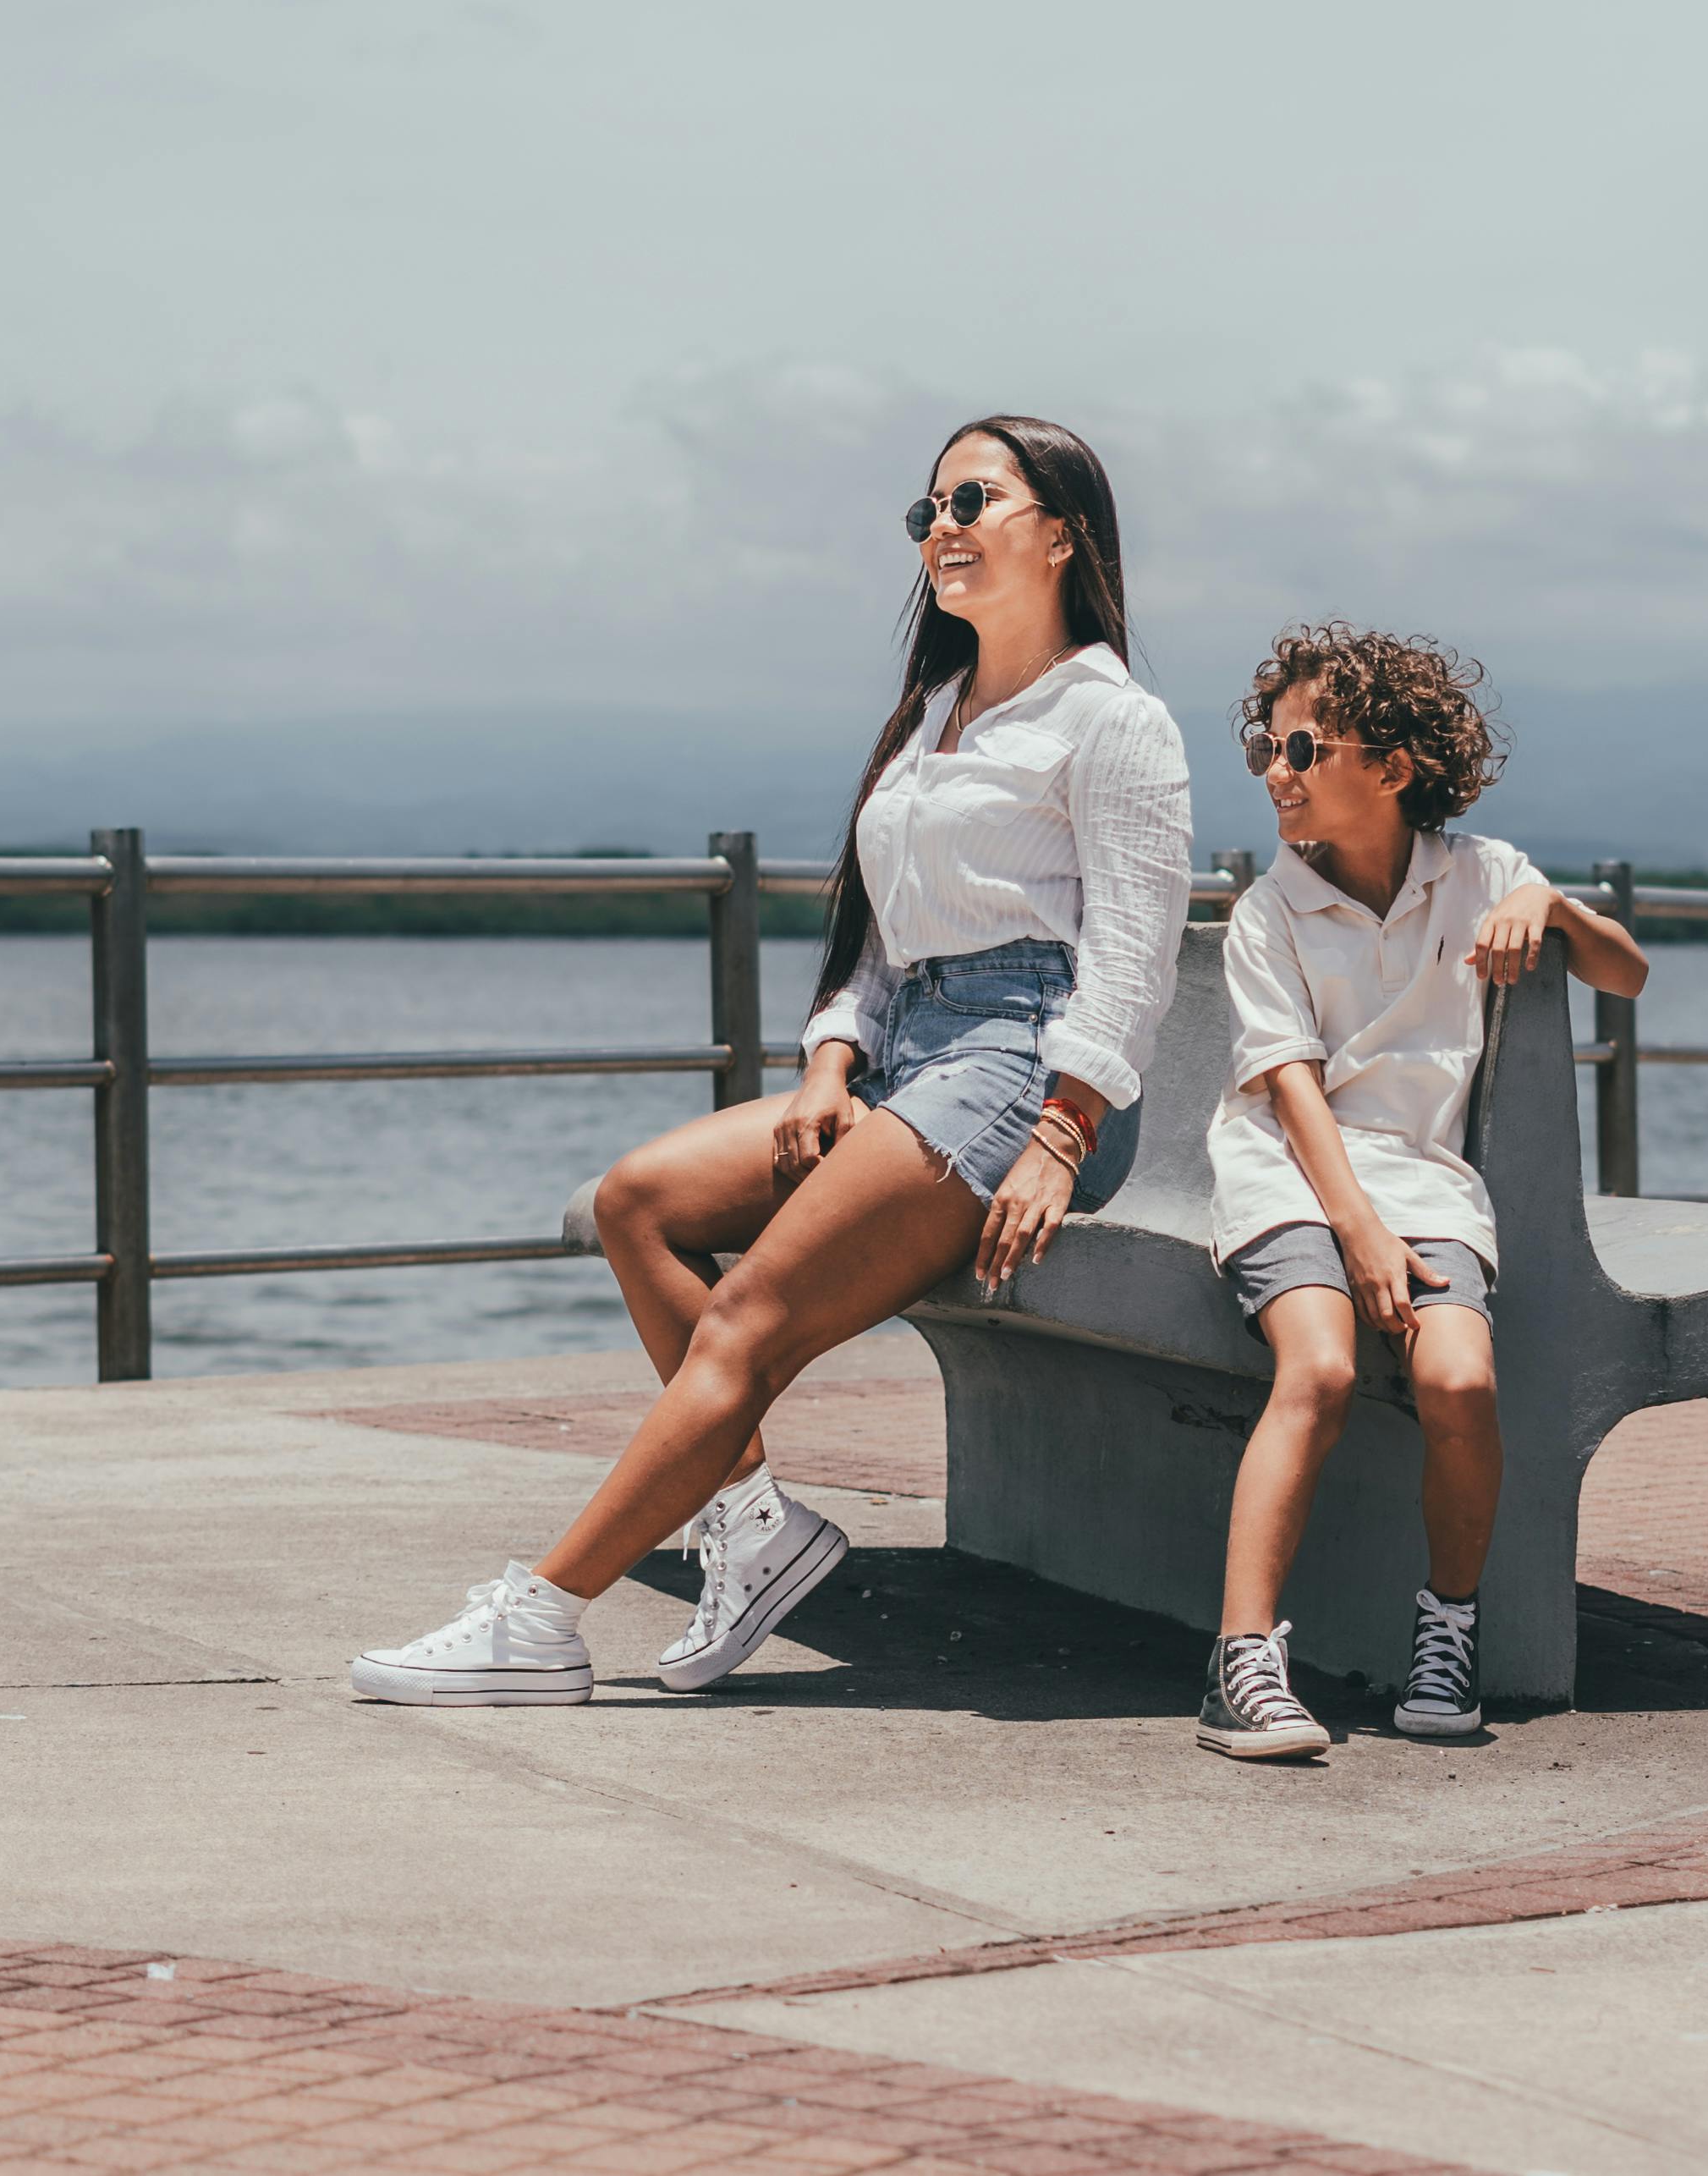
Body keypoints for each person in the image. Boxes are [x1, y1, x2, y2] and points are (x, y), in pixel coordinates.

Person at [349, 416, 1194, 1706]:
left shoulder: (1111, 720)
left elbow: (1132, 956)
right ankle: (753, 1522)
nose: (943, 529)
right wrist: (829, 1062)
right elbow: (874, 937)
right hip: (904, 1055)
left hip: (1023, 1068)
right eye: (926, 513)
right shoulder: (934, 715)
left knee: (746, 1321)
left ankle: (543, 1617)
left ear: (1063, 530)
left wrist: (1065, 1130)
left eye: (973, 499)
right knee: (639, 1203)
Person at [1196, 624, 1649, 1759]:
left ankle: (1447, 1630)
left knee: (1456, 1381)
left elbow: (1625, 974)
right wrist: (1355, 1235)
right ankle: (1241, 1662)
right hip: (1289, 1174)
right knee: (1324, 1365)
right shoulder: (1267, 913)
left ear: (1391, 768)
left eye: (1303, 746)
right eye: (1264, 745)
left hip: (1425, 1183)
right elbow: (1289, 1093)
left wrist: (1547, 907)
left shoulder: (1483, 874)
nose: (1274, 771)